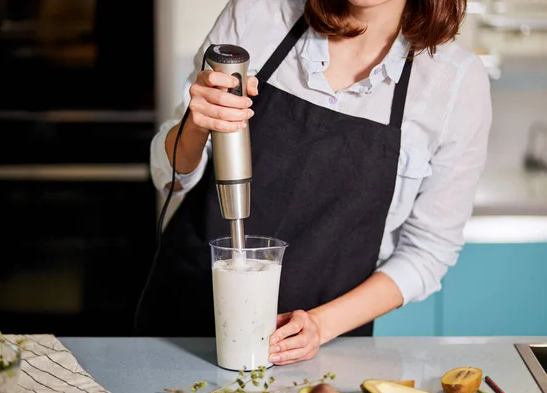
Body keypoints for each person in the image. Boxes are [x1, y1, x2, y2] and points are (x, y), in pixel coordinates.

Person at [140, 0, 492, 366]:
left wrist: (321, 326)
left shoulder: (455, 82)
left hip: (322, 358)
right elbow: (170, 177)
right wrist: (196, 125)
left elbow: (429, 250)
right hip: (181, 332)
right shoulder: (258, 14)